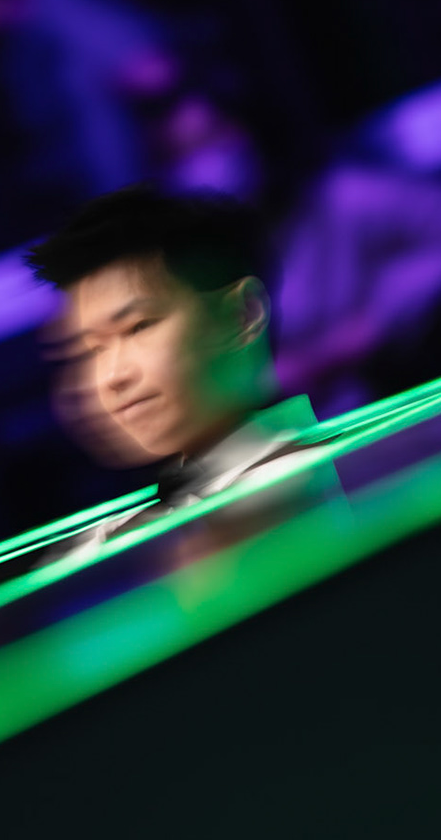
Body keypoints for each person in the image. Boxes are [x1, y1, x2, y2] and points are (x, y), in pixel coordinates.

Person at [25, 184, 336, 565]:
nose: (111, 376)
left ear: (242, 315)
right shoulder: (128, 531)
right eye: (95, 349)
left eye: (139, 327)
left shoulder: (301, 486)